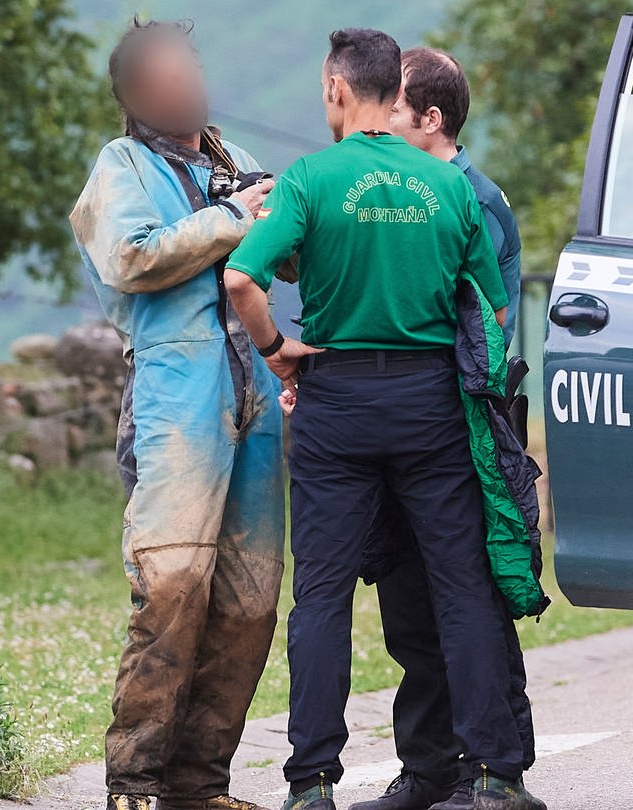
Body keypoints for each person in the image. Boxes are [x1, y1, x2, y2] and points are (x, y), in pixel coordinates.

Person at [223, 28, 544, 810]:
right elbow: (492, 311)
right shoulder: (449, 187)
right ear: (390, 94)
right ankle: (498, 776)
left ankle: (311, 785)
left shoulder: (309, 181)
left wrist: (277, 350)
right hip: (432, 405)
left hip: (336, 405)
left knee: (324, 596)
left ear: (337, 89)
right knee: (462, 587)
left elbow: (240, 279)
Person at [69, 20, 286, 810]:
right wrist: (239, 219)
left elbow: (293, 249)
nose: (184, 78)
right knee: (171, 585)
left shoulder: (239, 164)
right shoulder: (119, 165)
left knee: (250, 600)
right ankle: (134, 780)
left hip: (255, 395)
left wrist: (288, 210)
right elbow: (131, 257)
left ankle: (200, 785)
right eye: (163, 70)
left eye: (188, 62)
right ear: (134, 94)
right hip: (173, 393)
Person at [348, 48, 534, 810]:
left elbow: (477, 326)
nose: (377, 123)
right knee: (408, 607)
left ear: (431, 119)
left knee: (471, 605)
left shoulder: (474, 200)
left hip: (460, 425)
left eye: (390, 109)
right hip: (398, 421)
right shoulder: (395, 194)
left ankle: (497, 772)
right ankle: (429, 769)